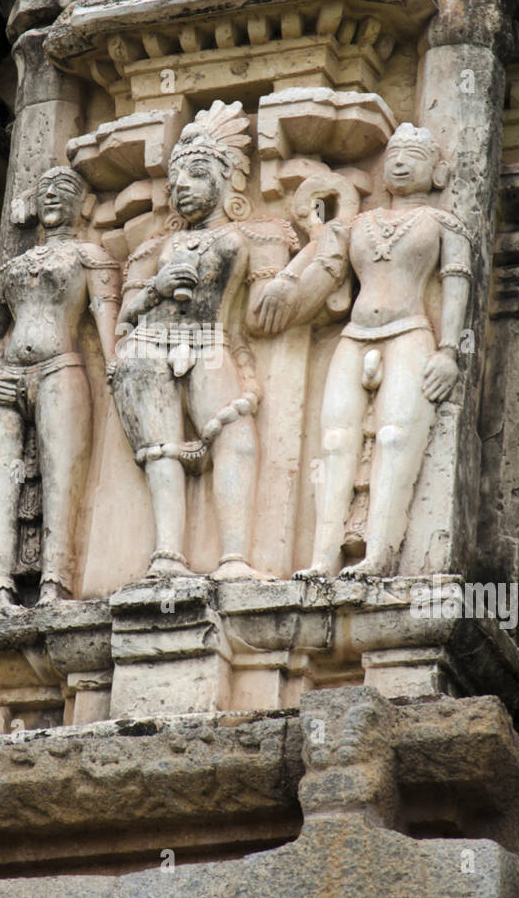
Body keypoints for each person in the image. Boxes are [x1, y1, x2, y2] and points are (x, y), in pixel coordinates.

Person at [255, 123, 472, 578]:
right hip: (354, 336)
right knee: (335, 443)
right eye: (393, 153)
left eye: (413, 155)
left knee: (395, 436)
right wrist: (286, 281)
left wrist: (449, 351)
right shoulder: (356, 225)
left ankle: (380, 554)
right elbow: (325, 268)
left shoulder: (442, 223)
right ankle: (322, 558)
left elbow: (455, 284)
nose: (398, 161)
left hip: (410, 332)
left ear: (438, 173)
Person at [112, 99, 296, 580]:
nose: (182, 191)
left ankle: (234, 557)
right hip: (148, 349)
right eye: (175, 183)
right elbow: (124, 319)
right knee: (161, 451)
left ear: (229, 176)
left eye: (196, 174)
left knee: (235, 436)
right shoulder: (156, 247)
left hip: (211, 343)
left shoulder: (253, 236)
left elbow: (261, 315)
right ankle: (167, 555)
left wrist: (295, 273)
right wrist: (155, 286)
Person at [0, 166, 119, 618]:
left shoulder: (89, 257)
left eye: (66, 189)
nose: (54, 196)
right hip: (8, 377)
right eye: (45, 190)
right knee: (0, 481)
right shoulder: (13, 267)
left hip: (61, 370)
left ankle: (56, 583)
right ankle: (0, 588)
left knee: (64, 476)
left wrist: (116, 362)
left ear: (86, 203)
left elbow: (104, 318)